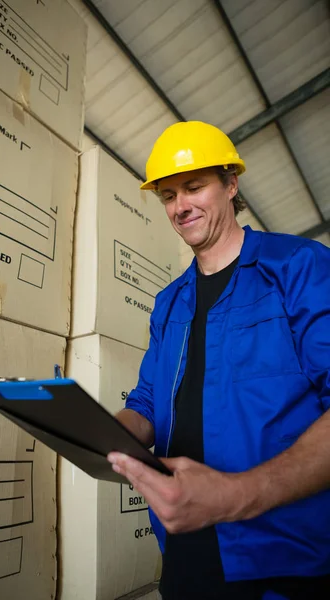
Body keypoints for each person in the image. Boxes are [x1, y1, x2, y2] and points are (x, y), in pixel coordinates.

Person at [108, 121, 330, 600]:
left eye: (193, 187)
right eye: (167, 195)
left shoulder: (298, 267)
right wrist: (103, 433)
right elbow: (147, 401)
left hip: (286, 561)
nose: (180, 206)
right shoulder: (169, 303)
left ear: (231, 184)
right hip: (185, 553)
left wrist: (233, 495)